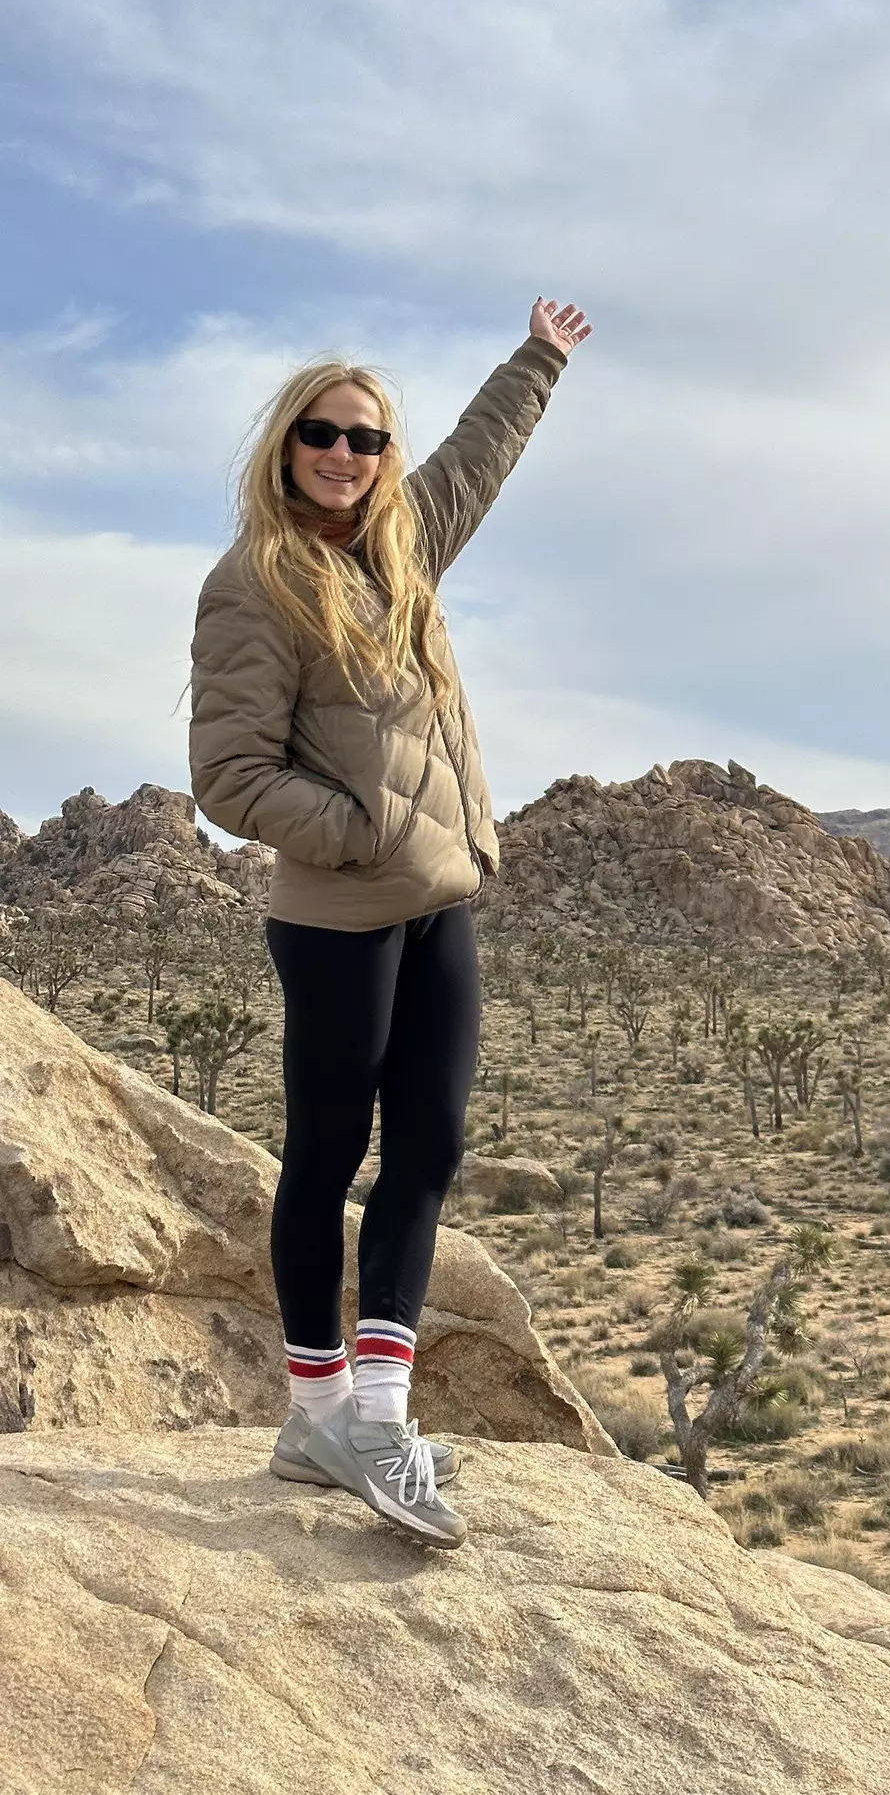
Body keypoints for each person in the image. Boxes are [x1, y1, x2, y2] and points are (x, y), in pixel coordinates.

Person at [188, 297, 591, 1548]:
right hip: (338, 915)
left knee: (426, 1148)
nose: (344, 456)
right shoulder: (257, 580)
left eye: (365, 439)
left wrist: (538, 360)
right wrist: (363, 831)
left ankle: (376, 1409)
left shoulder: (404, 548)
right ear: (284, 445)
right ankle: (319, 1412)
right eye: (321, 433)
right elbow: (228, 775)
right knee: (324, 1153)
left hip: (438, 903)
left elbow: (474, 459)